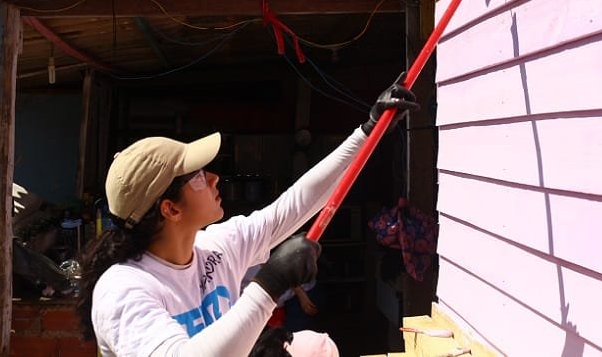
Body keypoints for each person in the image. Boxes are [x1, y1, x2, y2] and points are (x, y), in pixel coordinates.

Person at [76, 72, 418, 357]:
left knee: (316, 346)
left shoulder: (216, 247)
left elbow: (294, 205)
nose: (213, 178)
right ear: (170, 209)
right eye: (197, 176)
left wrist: (368, 133)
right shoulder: (124, 289)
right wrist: (269, 285)